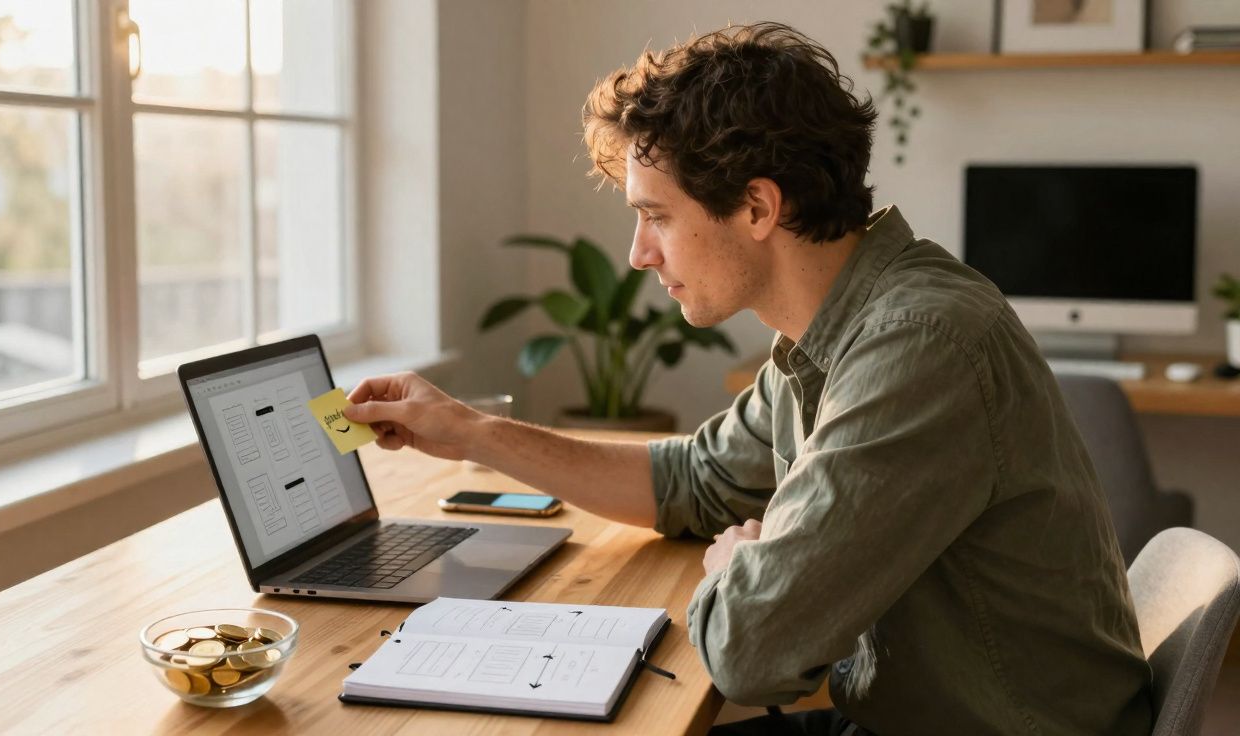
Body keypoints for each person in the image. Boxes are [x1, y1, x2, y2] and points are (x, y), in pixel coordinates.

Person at [343, 22, 1151, 736]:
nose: (638, 254)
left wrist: (739, 569)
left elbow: (751, 652)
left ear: (758, 209)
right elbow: (694, 481)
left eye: (656, 215)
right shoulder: (830, 331)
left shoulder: (918, 346)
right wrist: (472, 432)